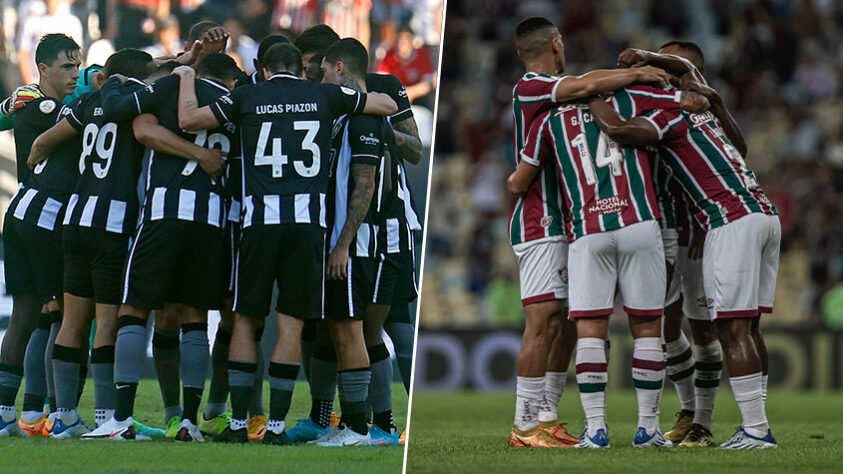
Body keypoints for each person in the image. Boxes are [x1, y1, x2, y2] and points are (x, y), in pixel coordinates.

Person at [172, 42, 397, 444]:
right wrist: (362, 98)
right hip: (307, 226)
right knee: (291, 323)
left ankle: (240, 424)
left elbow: (189, 119)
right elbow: (385, 106)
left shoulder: (247, 96)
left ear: (262, 68)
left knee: (245, 317)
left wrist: (187, 75)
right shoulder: (324, 94)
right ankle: (276, 426)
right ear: (302, 68)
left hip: (258, 223)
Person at [510, 81, 710, 448]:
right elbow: (695, 103)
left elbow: (520, 181)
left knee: (590, 329)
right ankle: (648, 429)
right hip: (640, 223)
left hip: (588, 231)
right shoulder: (633, 99)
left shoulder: (548, 120)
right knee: (648, 327)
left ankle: (596, 430)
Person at [586, 72, 780, 450]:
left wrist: (593, 95)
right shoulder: (706, 118)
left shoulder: (669, 117)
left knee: (732, 331)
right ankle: (755, 426)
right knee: (751, 329)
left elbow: (620, 131)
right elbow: (740, 147)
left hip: (730, 220)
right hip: (765, 214)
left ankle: (757, 430)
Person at [504, 16, 672, 449]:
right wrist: (637, 72)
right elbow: (582, 86)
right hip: (543, 221)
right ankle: (524, 427)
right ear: (556, 44)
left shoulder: (556, 114)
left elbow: (584, 83)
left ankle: (549, 417)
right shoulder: (530, 88)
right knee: (544, 323)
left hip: (578, 223)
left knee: (568, 325)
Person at [316, 37, 402, 447]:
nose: (321, 80)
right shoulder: (355, 116)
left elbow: (366, 184)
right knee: (347, 330)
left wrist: (343, 244)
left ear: (340, 70)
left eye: (324, 71)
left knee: (349, 331)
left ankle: (355, 429)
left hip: (357, 244)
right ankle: (368, 427)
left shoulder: (363, 119)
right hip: (356, 242)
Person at [0, 33, 81, 437]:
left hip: (22, 213)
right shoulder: (41, 105)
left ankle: (21, 414)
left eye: (77, 65)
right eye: (67, 66)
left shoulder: (31, 102)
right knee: (61, 314)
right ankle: (56, 410)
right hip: (44, 215)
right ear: (43, 69)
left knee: (28, 314)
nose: (75, 74)